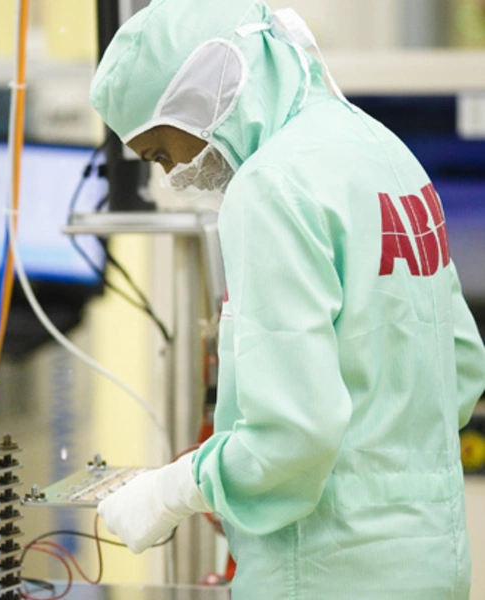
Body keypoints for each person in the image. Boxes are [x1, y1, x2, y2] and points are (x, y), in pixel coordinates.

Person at [89, 1, 485, 598]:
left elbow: (291, 439)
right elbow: (459, 366)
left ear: (199, 97)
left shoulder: (271, 185)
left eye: (162, 153)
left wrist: (178, 489)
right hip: (433, 561)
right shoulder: (382, 149)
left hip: (327, 569)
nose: (173, 177)